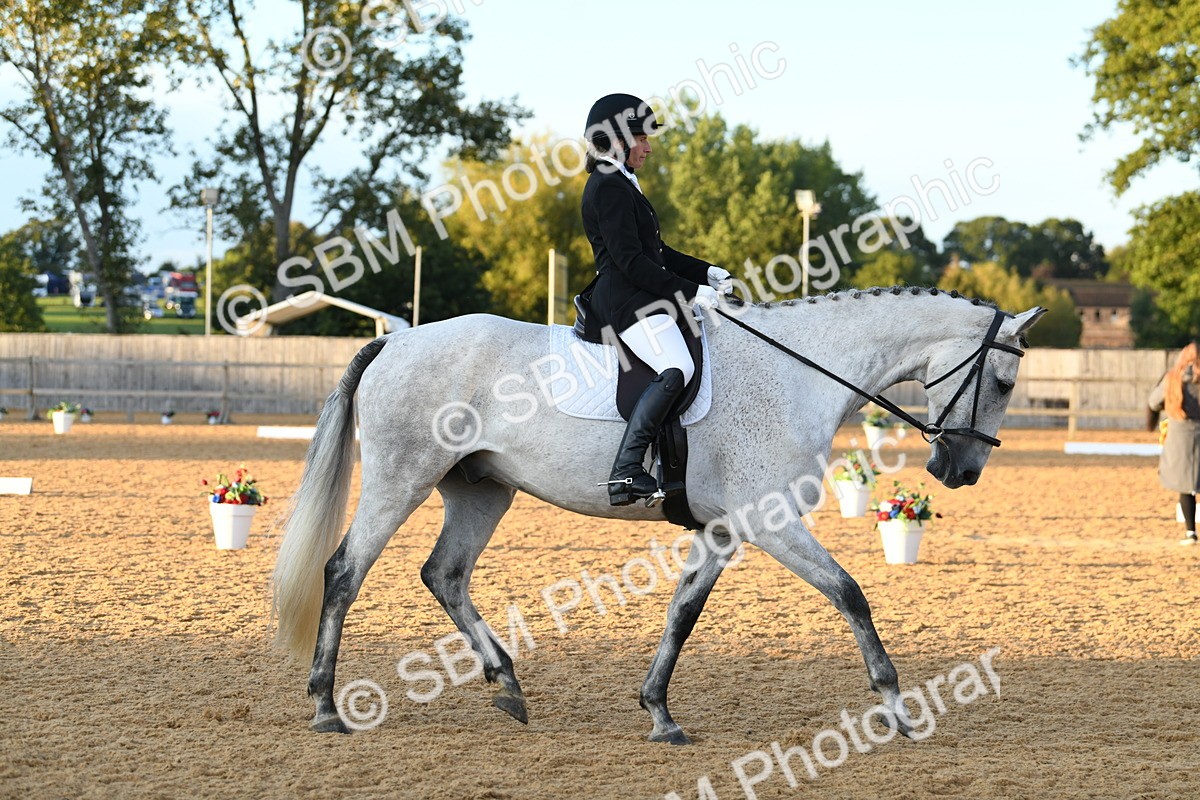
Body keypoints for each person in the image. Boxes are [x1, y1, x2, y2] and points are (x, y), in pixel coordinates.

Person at [580, 93, 730, 506]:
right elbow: (631, 262)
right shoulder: (608, 186)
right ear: (617, 139)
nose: (648, 147)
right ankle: (626, 470)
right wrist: (691, 293)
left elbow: (657, 253)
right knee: (677, 366)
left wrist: (707, 272)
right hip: (625, 300)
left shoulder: (621, 181)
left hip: (639, 294)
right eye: (642, 138)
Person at [1148, 342, 1200, 545]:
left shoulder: (1172, 379)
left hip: (1181, 437)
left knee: (1185, 485)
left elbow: (1153, 402)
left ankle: (1190, 532)